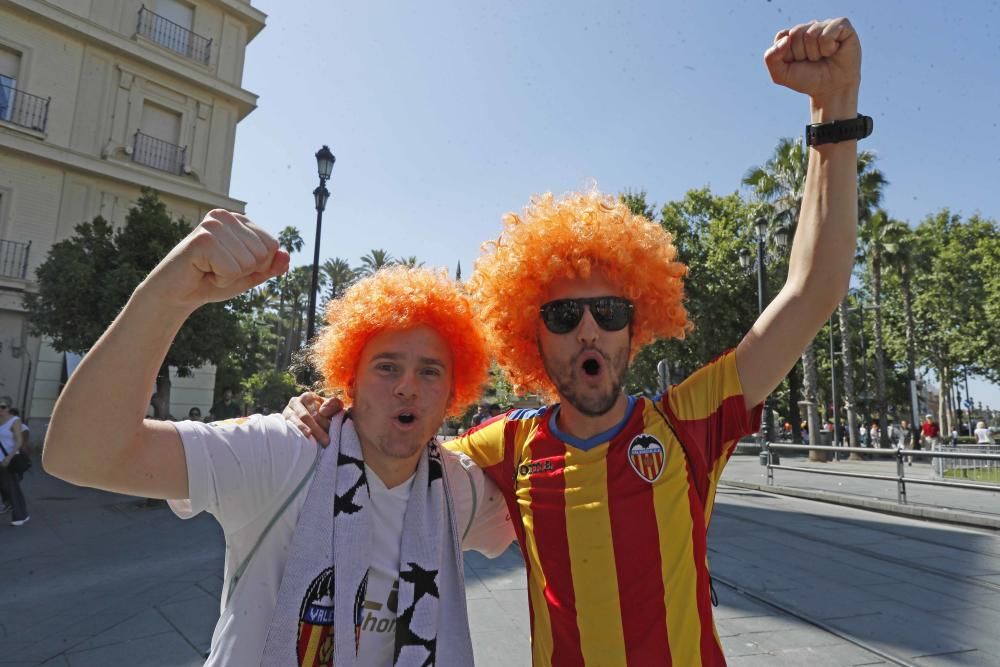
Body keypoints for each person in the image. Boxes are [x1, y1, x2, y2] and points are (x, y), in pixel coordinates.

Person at [289, 17, 865, 664]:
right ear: (530, 335)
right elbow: (394, 444)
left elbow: (814, 288)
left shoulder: (688, 424)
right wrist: (322, 411)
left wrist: (832, 109)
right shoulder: (509, 444)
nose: (589, 327)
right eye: (564, 316)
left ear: (636, 321)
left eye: (609, 310)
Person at [43, 213, 514, 666]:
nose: (407, 386)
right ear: (347, 380)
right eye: (387, 366)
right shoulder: (282, 454)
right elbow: (83, 454)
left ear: (456, 393)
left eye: (429, 371)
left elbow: (570, 490)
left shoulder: (460, 491)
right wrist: (171, 293)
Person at [0, 398, 29, 525]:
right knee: (4, 486)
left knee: (11, 487)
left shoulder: (14, 421)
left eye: (3, 406)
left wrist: (8, 457)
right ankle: (8, 504)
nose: (0, 409)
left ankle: (21, 515)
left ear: (9, 407)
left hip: (8, 459)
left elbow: (19, 441)